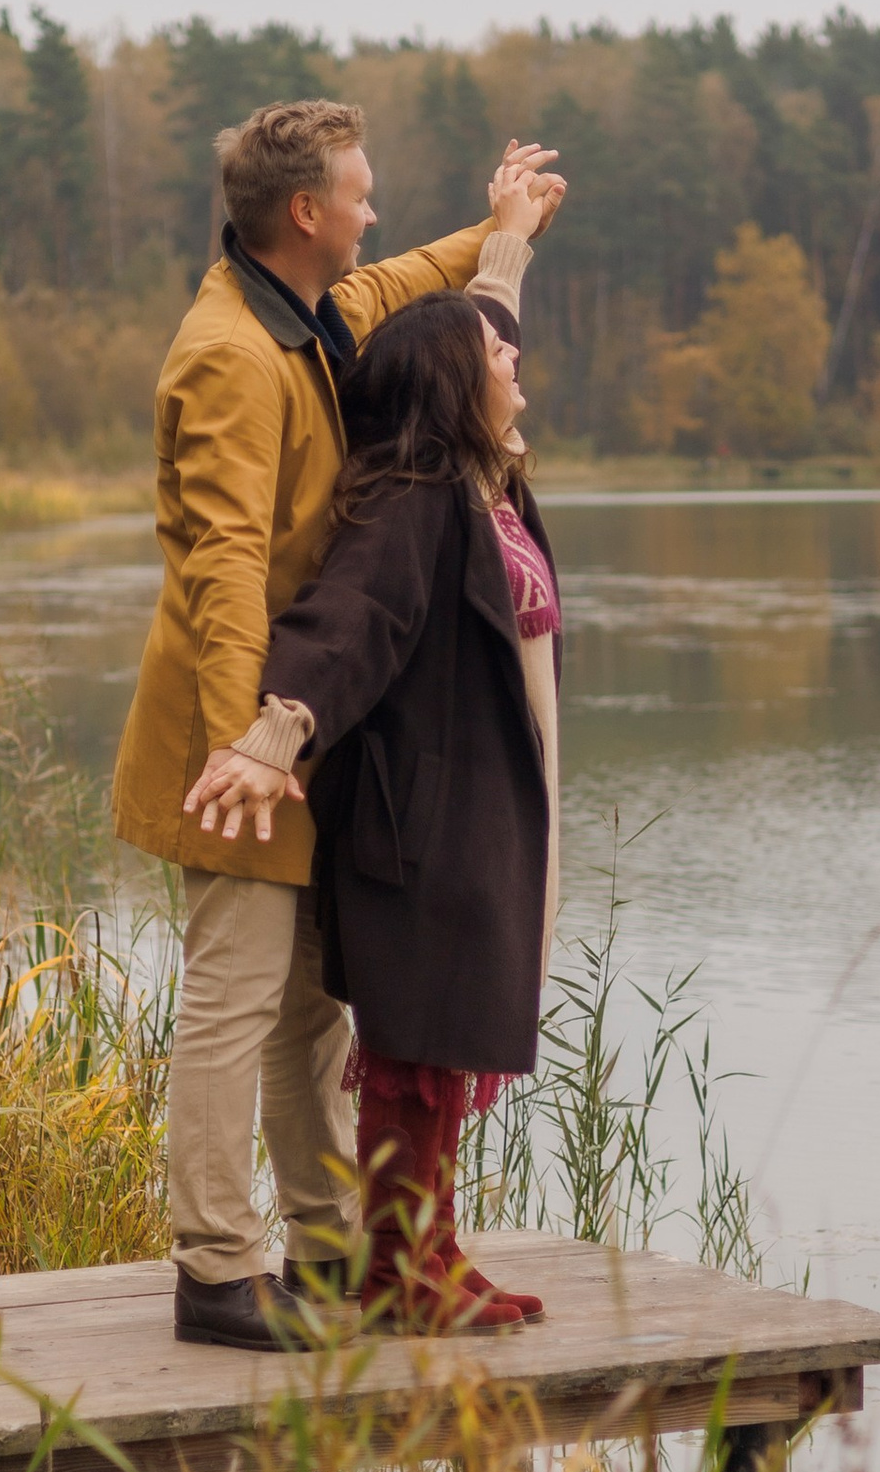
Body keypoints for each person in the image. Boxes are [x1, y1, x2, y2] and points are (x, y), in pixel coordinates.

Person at [112, 95, 564, 1348]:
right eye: (361, 193)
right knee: (235, 996)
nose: (376, 211)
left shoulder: (311, 312)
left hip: (305, 726)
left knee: (310, 1006)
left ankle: (324, 1247)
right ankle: (214, 1267)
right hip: (244, 731)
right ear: (305, 212)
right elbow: (220, 564)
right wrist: (243, 747)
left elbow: (421, 280)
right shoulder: (229, 353)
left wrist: (500, 227)